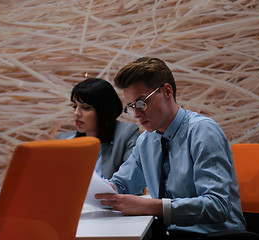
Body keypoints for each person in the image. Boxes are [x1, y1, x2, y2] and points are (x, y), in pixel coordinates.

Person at [95, 57, 246, 238]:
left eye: (142, 102)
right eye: (131, 106)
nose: (136, 114)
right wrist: (93, 189)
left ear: (167, 91)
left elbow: (217, 206)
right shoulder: (146, 141)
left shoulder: (202, 131)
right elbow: (120, 184)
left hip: (215, 235)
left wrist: (153, 207)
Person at [58, 78, 140, 179]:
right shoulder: (65, 140)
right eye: (74, 106)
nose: (76, 114)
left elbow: (132, 180)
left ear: (104, 110)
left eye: (86, 107)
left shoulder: (125, 134)